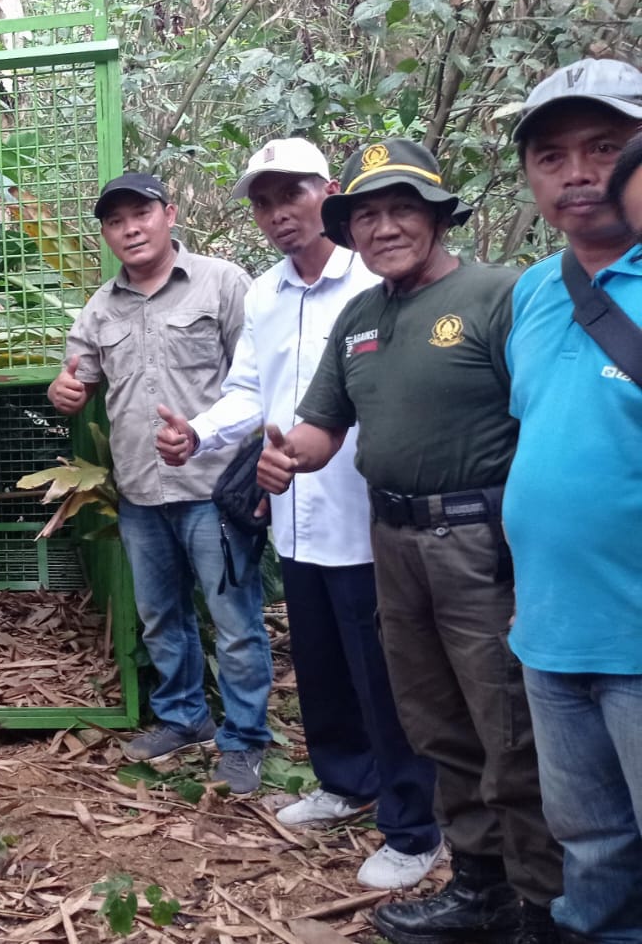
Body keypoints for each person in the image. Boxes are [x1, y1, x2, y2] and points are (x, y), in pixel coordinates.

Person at [257, 138, 561, 944]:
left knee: (510, 726)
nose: (384, 227)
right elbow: (324, 427)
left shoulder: (500, 295)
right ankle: (479, 884)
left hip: (479, 543)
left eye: (401, 209)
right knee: (435, 720)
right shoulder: (360, 318)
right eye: (367, 214)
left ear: (434, 215)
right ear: (349, 228)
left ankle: (541, 905)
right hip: (390, 538)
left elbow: (549, 419)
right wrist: (288, 454)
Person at [155, 139, 441, 888]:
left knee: (388, 673)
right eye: (263, 200)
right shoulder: (266, 294)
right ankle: (346, 781)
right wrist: (200, 431)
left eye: (293, 195)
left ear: (329, 193)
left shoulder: (372, 281)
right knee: (317, 661)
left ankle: (415, 824)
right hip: (293, 510)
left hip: (370, 512)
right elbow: (253, 387)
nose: (279, 213)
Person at [48, 171, 274, 793]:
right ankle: (185, 718)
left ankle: (247, 738)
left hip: (213, 489)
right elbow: (76, 381)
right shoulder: (101, 307)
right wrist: (63, 392)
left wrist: (220, 438)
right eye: (116, 221)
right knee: (160, 618)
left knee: (234, 618)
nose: (130, 229)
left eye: (141, 214)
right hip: (142, 493)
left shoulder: (223, 284)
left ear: (170, 214)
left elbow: (257, 380)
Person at [502, 59, 642, 943]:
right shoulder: (533, 291)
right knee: (589, 837)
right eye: (552, 156)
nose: (578, 173)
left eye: (606, 147)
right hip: (553, 629)